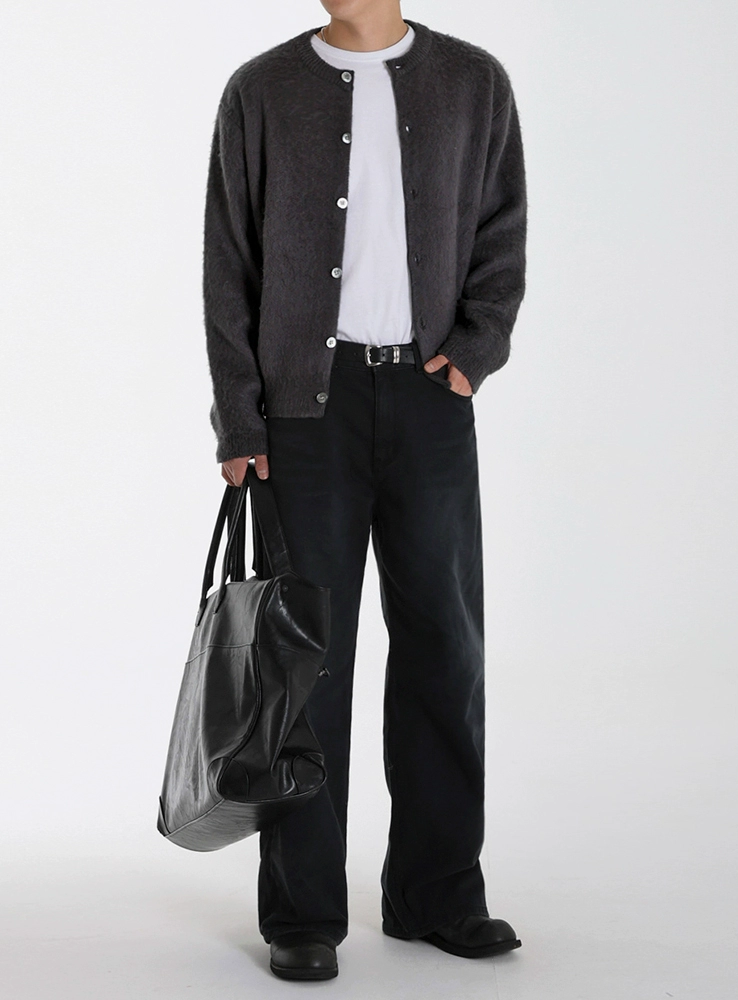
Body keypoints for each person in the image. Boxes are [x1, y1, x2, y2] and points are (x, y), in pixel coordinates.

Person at [202, 0, 527, 982]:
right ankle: (302, 912)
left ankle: (438, 892)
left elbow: (501, 229)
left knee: (444, 645)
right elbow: (229, 260)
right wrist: (241, 419)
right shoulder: (262, 90)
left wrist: (474, 351)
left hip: (430, 396)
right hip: (305, 409)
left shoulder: (473, 82)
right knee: (306, 661)